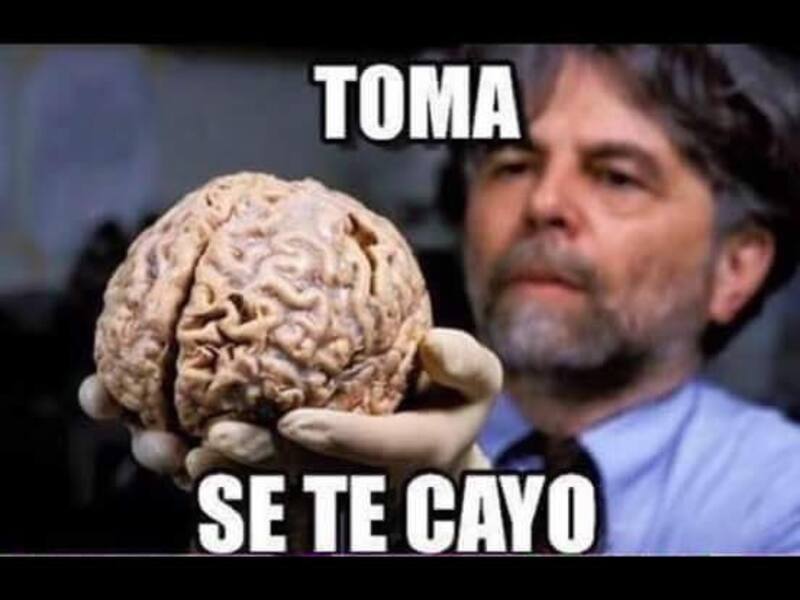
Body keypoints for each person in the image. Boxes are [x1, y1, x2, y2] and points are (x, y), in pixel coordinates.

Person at [79, 44, 800, 554]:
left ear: (736, 267)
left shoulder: (777, 502)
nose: (544, 203)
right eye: (512, 163)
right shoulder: (329, 447)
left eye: (617, 176)